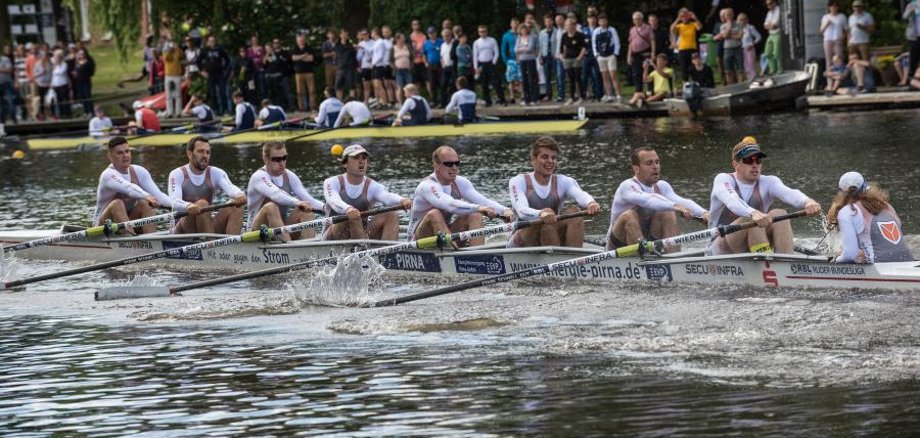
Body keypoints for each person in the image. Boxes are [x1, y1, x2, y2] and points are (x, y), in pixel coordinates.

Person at [708, 138, 822, 255]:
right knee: (751, 219)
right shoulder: (723, 179)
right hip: (720, 248)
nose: (755, 165)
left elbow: (790, 193)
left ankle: (785, 262)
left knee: (780, 214)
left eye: (758, 161)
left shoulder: (769, 182)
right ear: (735, 164)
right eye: (748, 161)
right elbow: (732, 201)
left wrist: (808, 202)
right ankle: (768, 262)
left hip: (754, 242)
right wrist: (754, 213)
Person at [607, 146, 709, 252]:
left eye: (657, 162)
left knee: (667, 213)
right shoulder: (627, 186)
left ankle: (674, 260)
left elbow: (681, 201)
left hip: (648, 242)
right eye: (649, 163)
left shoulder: (662, 186)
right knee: (629, 215)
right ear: (636, 169)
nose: (655, 167)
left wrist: (704, 213)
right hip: (618, 246)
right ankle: (643, 260)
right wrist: (675, 207)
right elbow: (648, 200)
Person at [408, 145, 512, 246]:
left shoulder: (461, 182)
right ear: (436, 165)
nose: (454, 168)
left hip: (444, 235)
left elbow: (483, 201)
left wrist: (505, 210)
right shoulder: (427, 186)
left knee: (475, 214)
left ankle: (478, 256)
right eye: (448, 164)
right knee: (434, 214)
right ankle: (452, 255)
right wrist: (478, 208)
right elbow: (450, 205)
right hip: (419, 240)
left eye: (457, 163)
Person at [508, 137, 600, 248]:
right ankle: (555, 258)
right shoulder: (518, 181)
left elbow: (581, 195)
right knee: (548, 213)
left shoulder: (564, 181)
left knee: (574, 212)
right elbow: (522, 211)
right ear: (533, 159)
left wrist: (591, 203)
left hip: (550, 234)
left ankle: (574, 260)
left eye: (553, 158)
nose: (550, 161)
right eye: (545, 157)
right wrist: (541, 214)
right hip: (522, 240)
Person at [94, 136, 187, 234]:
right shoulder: (107, 175)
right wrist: (146, 195)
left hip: (127, 222)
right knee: (117, 203)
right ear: (110, 156)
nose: (125, 155)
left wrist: (185, 207)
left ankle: (150, 241)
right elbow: (128, 188)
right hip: (102, 227)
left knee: (145, 204)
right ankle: (132, 242)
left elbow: (159, 197)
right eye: (120, 153)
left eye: (127, 151)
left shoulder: (139, 171)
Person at [323, 144, 411, 240]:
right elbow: (333, 200)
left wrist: (402, 200)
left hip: (362, 234)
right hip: (332, 237)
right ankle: (361, 249)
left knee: (391, 215)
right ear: (345, 163)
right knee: (348, 217)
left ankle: (388, 253)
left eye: (364, 158)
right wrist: (348, 209)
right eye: (356, 157)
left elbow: (386, 197)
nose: (361, 161)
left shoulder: (372, 186)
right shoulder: (332, 182)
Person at [828, 171, 913, 263]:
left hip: (879, 266)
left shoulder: (847, 211)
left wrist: (835, 260)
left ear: (841, 192)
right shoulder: (886, 206)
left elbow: (850, 255)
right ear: (866, 188)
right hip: (909, 261)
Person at [246, 141, 324, 240]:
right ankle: (289, 247)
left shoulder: (289, 176)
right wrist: (297, 202)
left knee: (305, 210)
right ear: (265, 159)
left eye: (284, 158)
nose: (282, 163)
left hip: (280, 229)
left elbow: (309, 199)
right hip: (256, 232)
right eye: (277, 159)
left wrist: (327, 207)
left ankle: (310, 249)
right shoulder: (259, 176)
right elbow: (276, 194)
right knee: (271, 207)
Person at [168, 136, 246, 234]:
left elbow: (231, 188)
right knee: (202, 204)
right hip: (181, 229)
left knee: (235, 206)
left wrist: (239, 195)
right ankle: (210, 246)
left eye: (208, 152)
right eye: (201, 151)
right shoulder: (177, 174)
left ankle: (232, 247)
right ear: (189, 153)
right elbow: (174, 201)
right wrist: (188, 206)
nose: (205, 155)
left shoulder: (216, 173)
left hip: (205, 225)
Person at [473, 25, 507, 107]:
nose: (482, 33)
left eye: (484, 31)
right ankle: (488, 101)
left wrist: (494, 62)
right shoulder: (476, 42)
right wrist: (476, 67)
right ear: (478, 33)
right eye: (480, 32)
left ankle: (502, 100)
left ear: (487, 31)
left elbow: (496, 52)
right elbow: (475, 55)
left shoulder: (492, 40)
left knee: (497, 82)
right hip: (481, 63)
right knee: (484, 84)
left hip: (491, 63)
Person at [593, 13, 622, 103]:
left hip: (610, 55)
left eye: (604, 20)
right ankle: (609, 95)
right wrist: (596, 55)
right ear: (598, 22)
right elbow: (594, 44)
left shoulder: (612, 30)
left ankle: (618, 94)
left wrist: (615, 54)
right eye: (601, 20)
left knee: (613, 75)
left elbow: (617, 42)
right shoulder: (596, 31)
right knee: (604, 76)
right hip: (601, 56)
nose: (603, 22)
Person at [670, 8, 702, 81]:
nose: (685, 17)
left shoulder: (693, 24)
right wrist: (678, 18)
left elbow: (699, 28)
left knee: (694, 67)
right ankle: (686, 84)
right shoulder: (679, 26)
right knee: (684, 69)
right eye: (683, 16)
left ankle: (697, 83)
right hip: (682, 50)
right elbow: (671, 29)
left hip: (692, 49)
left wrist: (695, 18)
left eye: (686, 15)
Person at [201, 36, 230, 115]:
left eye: (213, 40)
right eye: (210, 41)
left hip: (220, 74)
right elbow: (198, 61)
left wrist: (224, 68)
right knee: (212, 93)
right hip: (210, 74)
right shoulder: (205, 50)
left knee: (222, 92)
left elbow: (227, 59)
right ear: (208, 42)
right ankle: (215, 110)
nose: (212, 42)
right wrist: (202, 71)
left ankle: (225, 110)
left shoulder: (220, 49)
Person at [627, 12, 655, 95]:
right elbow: (630, 43)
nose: (637, 21)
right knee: (636, 73)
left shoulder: (647, 28)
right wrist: (629, 55)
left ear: (642, 19)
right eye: (635, 19)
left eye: (638, 19)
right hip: (635, 54)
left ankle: (650, 90)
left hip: (646, 52)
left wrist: (653, 53)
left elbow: (652, 41)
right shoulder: (632, 30)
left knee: (648, 72)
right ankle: (638, 91)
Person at [560, 17, 586, 105]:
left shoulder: (579, 35)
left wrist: (579, 57)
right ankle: (572, 97)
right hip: (567, 59)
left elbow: (584, 47)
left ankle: (582, 97)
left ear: (573, 25)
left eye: (569, 25)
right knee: (571, 79)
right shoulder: (564, 35)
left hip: (576, 59)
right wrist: (563, 58)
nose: (568, 27)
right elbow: (562, 48)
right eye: (566, 25)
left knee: (578, 78)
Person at [713, 8, 743, 84]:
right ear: (725, 16)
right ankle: (731, 86)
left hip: (738, 49)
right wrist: (729, 25)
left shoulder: (739, 24)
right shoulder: (722, 26)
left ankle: (741, 85)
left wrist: (729, 35)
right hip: (728, 50)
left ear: (733, 14)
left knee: (740, 69)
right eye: (727, 15)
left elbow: (740, 37)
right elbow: (725, 35)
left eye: (730, 14)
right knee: (728, 71)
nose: (728, 16)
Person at [515, 23, 540, 105]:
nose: (523, 31)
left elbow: (530, 47)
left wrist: (521, 49)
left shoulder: (531, 37)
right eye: (522, 30)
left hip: (530, 60)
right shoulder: (518, 38)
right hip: (522, 61)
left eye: (524, 29)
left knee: (531, 79)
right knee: (524, 79)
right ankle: (526, 99)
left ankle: (534, 99)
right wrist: (523, 49)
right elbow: (515, 49)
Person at [821, 2, 848, 74]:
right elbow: (821, 31)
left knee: (839, 59)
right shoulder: (825, 17)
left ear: (838, 7)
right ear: (829, 8)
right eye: (832, 6)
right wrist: (826, 24)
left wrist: (843, 37)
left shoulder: (842, 16)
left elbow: (846, 30)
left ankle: (839, 80)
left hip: (837, 40)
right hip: (827, 40)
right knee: (829, 60)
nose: (833, 8)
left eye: (835, 6)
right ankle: (830, 82)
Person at [333, 29, 357, 99]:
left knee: (351, 86)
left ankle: (352, 102)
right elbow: (337, 53)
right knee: (338, 86)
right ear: (340, 35)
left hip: (350, 68)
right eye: (343, 34)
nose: (344, 36)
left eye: (346, 34)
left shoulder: (351, 45)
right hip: (340, 68)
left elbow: (354, 56)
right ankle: (339, 102)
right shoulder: (337, 45)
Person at [422, 26, 443, 107]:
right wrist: (426, 63)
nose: (431, 35)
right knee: (432, 83)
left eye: (433, 33)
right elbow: (424, 54)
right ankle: (434, 101)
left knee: (441, 83)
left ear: (436, 33)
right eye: (430, 33)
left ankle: (442, 100)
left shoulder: (441, 41)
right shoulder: (426, 43)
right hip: (430, 64)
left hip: (439, 64)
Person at [738, 13, 762, 81]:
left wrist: (752, 44)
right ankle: (749, 80)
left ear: (747, 20)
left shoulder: (750, 27)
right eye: (740, 20)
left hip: (749, 49)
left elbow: (758, 37)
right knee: (746, 67)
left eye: (744, 19)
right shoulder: (738, 29)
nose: (743, 21)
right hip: (741, 50)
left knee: (751, 66)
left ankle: (753, 80)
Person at [392, 33, 414, 104]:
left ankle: (410, 102)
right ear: (398, 39)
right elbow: (390, 59)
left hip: (407, 69)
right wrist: (394, 67)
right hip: (398, 70)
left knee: (409, 86)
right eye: (402, 38)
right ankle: (400, 103)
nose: (404, 39)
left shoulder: (407, 46)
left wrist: (411, 65)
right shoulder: (393, 48)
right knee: (399, 87)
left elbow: (411, 57)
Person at [763, 0, 783, 75]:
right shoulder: (769, 13)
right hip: (771, 34)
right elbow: (765, 25)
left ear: (774, 2)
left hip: (777, 34)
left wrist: (770, 25)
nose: (769, 6)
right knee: (767, 53)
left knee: (777, 53)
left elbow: (775, 25)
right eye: (767, 4)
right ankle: (772, 69)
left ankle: (779, 69)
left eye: (770, 3)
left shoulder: (779, 10)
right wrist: (770, 26)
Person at [904, 0, 920, 84]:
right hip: (914, 36)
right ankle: (911, 80)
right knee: (914, 58)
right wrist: (910, 10)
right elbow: (905, 17)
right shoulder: (911, 4)